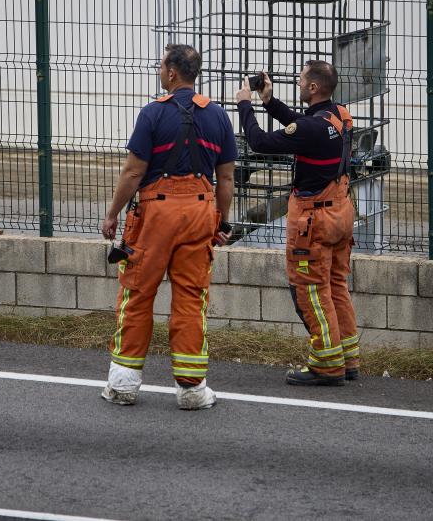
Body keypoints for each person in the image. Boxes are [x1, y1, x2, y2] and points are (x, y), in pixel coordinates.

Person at [100, 43, 236, 410]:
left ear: (172, 72)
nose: (160, 71)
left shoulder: (152, 114)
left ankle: (124, 385)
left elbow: (133, 172)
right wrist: (222, 222)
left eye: (162, 66)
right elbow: (225, 179)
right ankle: (192, 390)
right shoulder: (219, 116)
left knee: (138, 294)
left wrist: (112, 214)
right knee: (192, 298)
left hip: (156, 215)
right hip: (199, 212)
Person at [235, 61, 360, 386]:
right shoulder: (340, 116)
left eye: (302, 79)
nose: (299, 81)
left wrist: (245, 104)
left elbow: (260, 143)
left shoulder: (311, 128)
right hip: (341, 213)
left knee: (310, 291)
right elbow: (304, 128)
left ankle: (326, 364)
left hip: (314, 221)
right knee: (335, 287)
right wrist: (270, 102)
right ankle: (347, 358)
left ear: (314, 88)